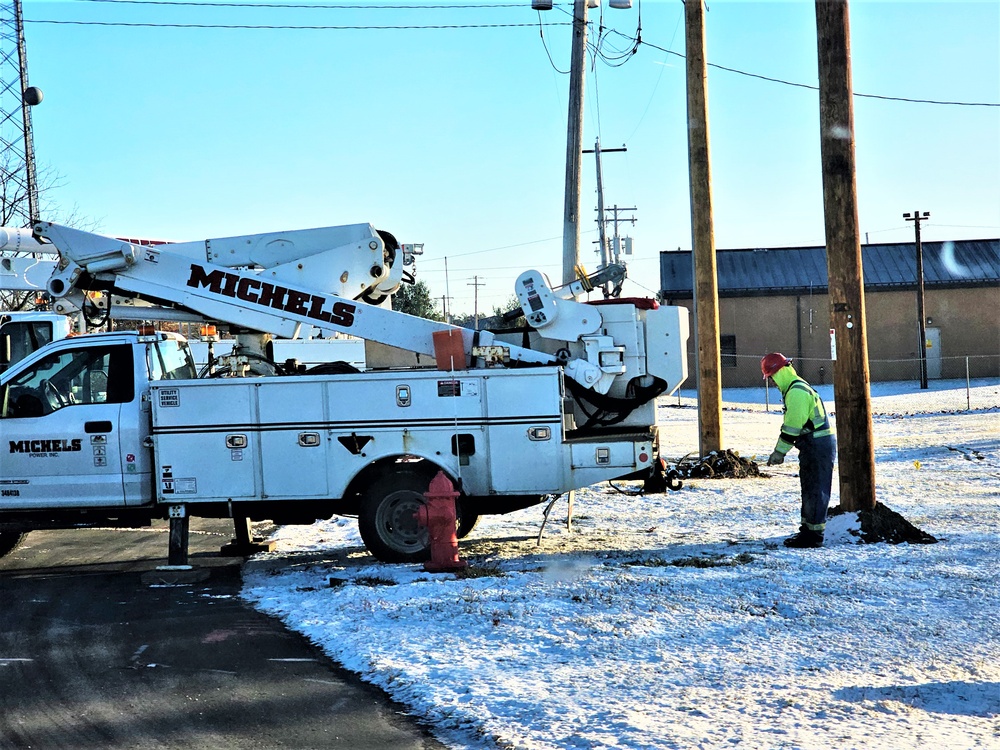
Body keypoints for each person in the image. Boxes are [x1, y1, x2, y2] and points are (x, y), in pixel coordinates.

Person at [761, 353, 836, 548]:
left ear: (780, 372)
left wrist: (779, 452)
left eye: (772, 377)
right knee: (810, 489)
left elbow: (792, 426)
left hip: (817, 445)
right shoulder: (795, 388)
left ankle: (814, 536)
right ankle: (808, 531)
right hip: (813, 445)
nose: (773, 382)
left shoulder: (796, 392)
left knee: (816, 489)